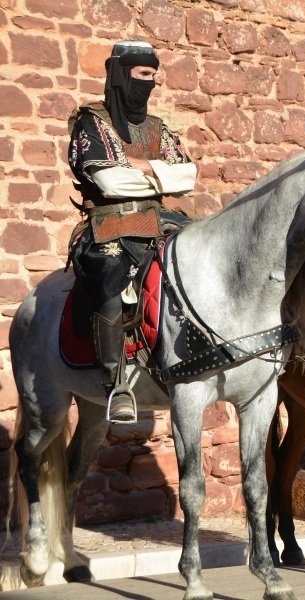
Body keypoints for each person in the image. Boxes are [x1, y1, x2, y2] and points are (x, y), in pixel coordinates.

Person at [67, 40, 196, 423]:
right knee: (107, 277)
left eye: (155, 75)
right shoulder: (92, 121)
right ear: (122, 75)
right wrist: (161, 175)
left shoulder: (158, 127)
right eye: (143, 74)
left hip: (162, 221)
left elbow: (187, 176)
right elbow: (108, 183)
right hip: (109, 223)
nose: (151, 82)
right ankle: (116, 383)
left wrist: (140, 167)